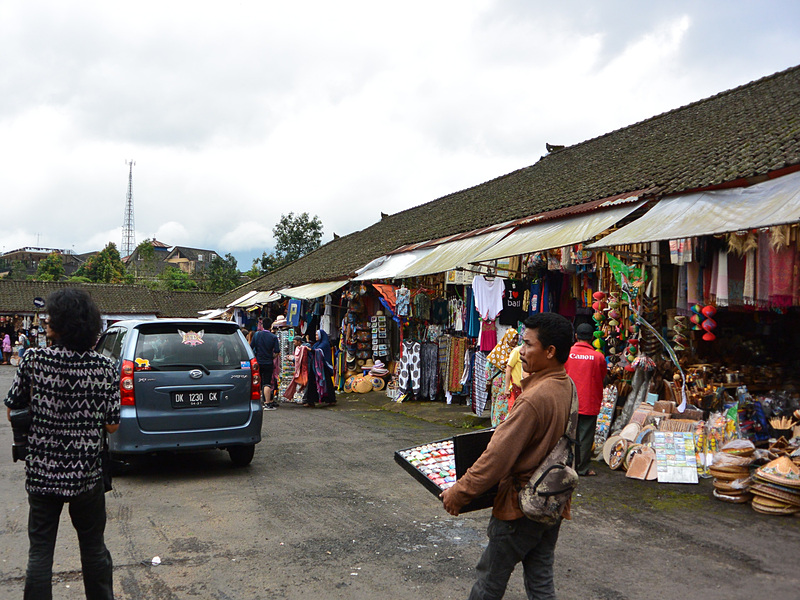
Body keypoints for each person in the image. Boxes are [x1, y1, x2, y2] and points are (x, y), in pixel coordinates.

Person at [441, 312, 574, 600]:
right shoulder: (565, 384)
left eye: (527, 345)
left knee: (490, 582)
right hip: (549, 501)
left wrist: (459, 492)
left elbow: (497, 457)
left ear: (550, 351)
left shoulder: (533, 398)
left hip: (520, 507)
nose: (521, 351)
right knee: (540, 580)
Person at [4, 287, 119, 600]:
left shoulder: (34, 360)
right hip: (87, 476)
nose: (45, 323)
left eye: (50, 318)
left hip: (42, 473)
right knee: (94, 549)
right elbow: (111, 424)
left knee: (40, 553)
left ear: (60, 324)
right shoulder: (105, 368)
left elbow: (12, 406)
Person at [564, 322, 607, 477]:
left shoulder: (567, 353)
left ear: (576, 336)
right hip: (589, 401)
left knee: (568, 433)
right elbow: (602, 377)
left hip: (570, 400)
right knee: (585, 436)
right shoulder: (599, 357)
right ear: (591, 338)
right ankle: (581, 468)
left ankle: (567, 464)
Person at [485, 328, 518, 426]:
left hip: (511, 382)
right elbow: (488, 366)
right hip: (498, 383)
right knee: (498, 406)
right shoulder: (498, 350)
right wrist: (488, 380)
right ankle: (496, 426)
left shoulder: (517, 351)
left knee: (509, 404)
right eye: (513, 338)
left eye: (516, 338)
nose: (515, 341)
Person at [250, 323, 280, 410]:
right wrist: (272, 357)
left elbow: (251, 347)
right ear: (270, 326)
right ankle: (267, 403)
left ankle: (256, 402)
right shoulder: (273, 337)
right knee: (267, 383)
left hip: (258, 362)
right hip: (268, 363)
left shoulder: (257, 335)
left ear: (263, 326)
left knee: (257, 381)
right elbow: (277, 351)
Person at [304, 329, 336, 408]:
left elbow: (319, 351)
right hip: (315, 366)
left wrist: (310, 350)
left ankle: (331, 400)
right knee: (312, 383)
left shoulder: (324, 344)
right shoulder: (317, 344)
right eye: (315, 335)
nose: (316, 337)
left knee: (326, 383)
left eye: (317, 335)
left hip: (323, 368)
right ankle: (311, 401)